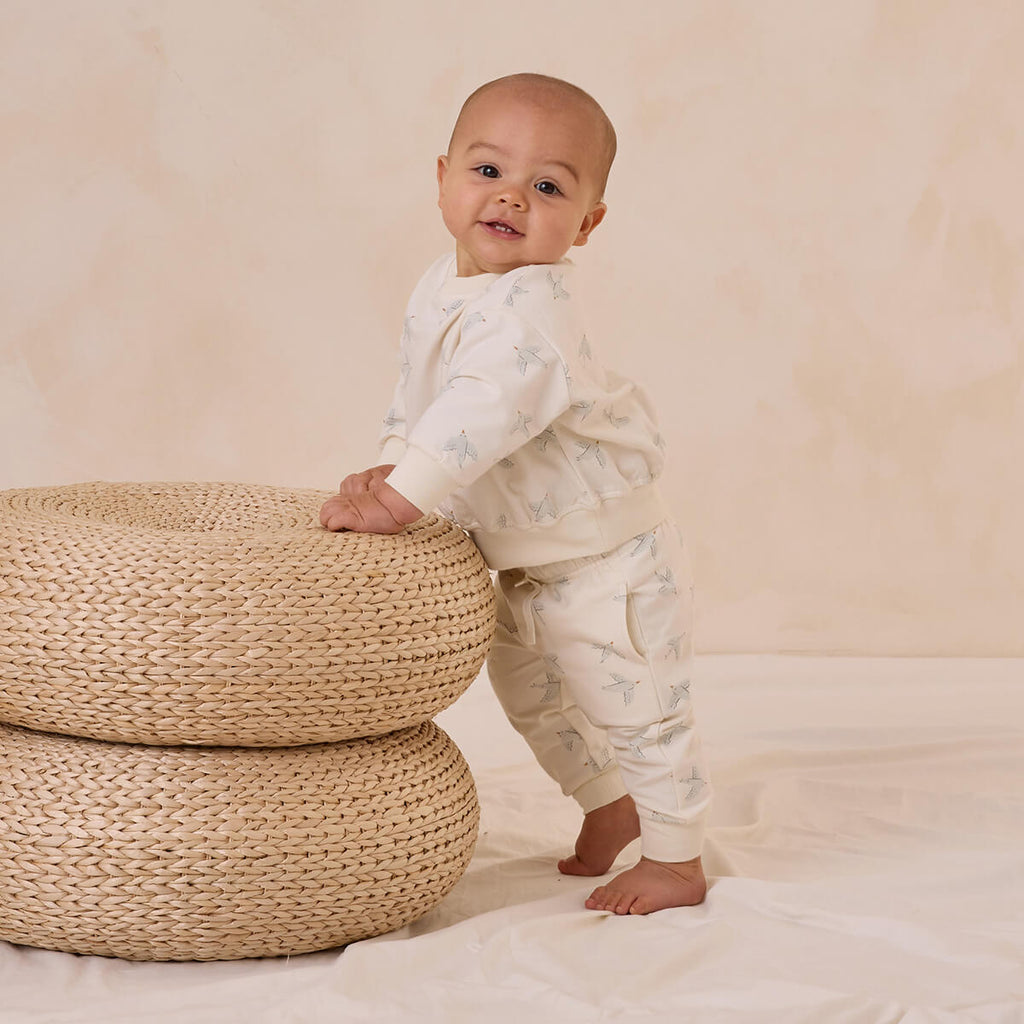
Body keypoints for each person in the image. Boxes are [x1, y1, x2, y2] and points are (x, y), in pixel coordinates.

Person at [320, 72, 711, 915]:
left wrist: (399, 501)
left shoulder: (534, 311)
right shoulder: (442, 285)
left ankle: (676, 857)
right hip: (522, 561)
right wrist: (392, 462)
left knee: (637, 706)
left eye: (548, 187)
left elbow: (479, 412)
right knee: (531, 693)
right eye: (488, 171)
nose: (511, 198)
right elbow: (420, 400)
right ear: (442, 178)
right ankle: (608, 803)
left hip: (608, 560)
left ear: (587, 223)